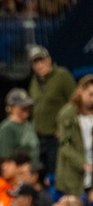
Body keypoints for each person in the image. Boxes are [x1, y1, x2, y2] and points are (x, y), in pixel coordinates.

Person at [28, 44, 76, 174]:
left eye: (42, 60)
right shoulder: (34, 81)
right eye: (35, 62)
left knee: (54, 171)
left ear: (49, 59)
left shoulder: (62, 75)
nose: (39, 65)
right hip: (38, 137)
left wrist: (64, 128)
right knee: (39, 172)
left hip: (55, 137)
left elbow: (75, 102)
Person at [54, 74, 93, 199]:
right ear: (81, 91)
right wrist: (82, 163)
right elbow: (64, 145)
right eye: (90, 94)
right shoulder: (67, 114)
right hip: (73, 173)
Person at [0, 88, 40, 162]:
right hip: (17, 168)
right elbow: (4, 157)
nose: (26, 108)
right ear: (11, 108)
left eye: (27, 106)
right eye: (22, 106)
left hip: (32, 167)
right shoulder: (7, 128)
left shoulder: (28, 125)